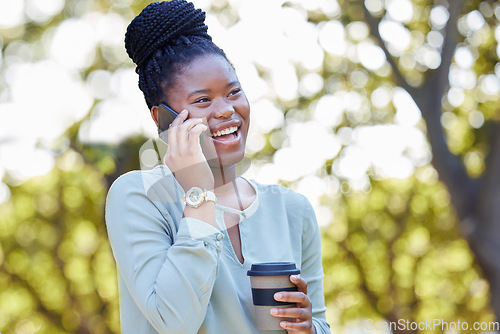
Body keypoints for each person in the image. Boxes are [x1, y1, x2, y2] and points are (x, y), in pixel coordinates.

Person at [105, 1, 331, 333]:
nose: (226, 110)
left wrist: (308, 327)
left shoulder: (291, 210)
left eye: (233, 92)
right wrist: (198, 194)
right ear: (163, 119)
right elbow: (174, 322)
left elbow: (321, 324)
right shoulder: (138, 196)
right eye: (202, 100)